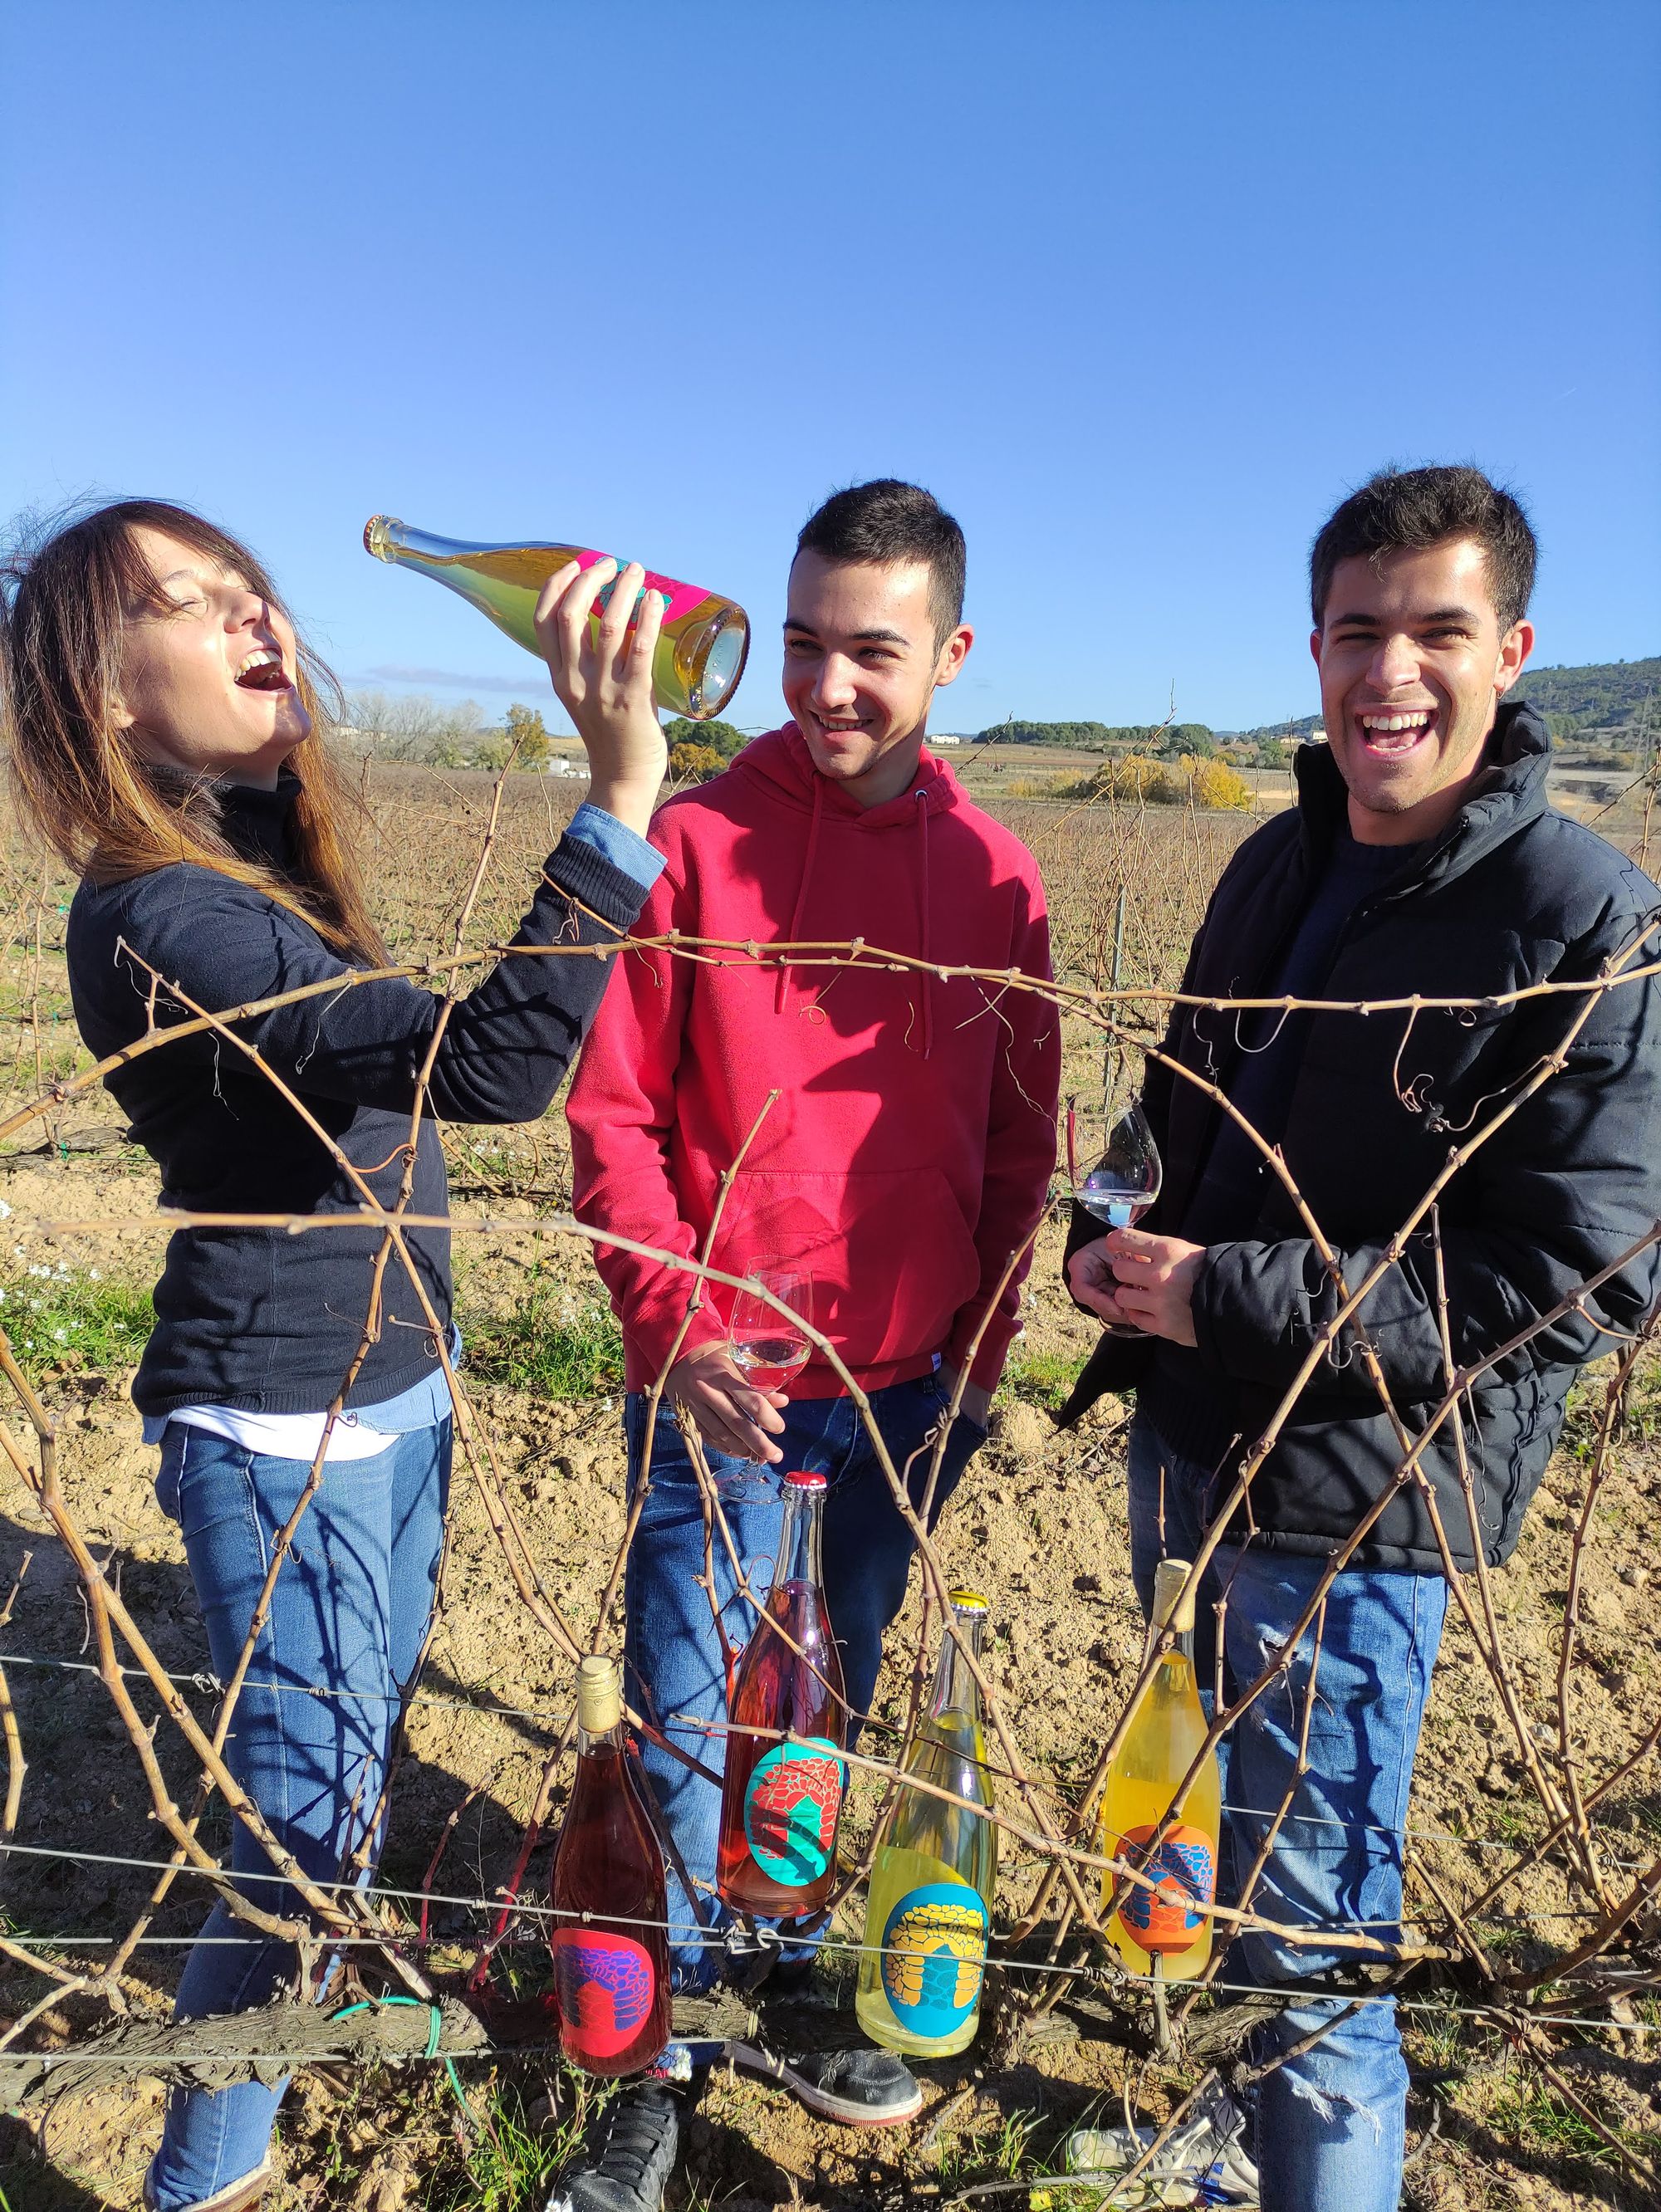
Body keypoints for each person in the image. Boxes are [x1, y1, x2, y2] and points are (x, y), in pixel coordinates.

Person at [1, 498, 671, 2212]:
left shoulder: (260, 864)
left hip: (402, 1390)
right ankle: (200, 2183)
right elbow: (501, 1067)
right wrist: (613, 798)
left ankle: (325, 2030)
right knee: (292, 1860)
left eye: (254, 593)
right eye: (194, 604)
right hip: (278, 1426)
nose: (257, 620)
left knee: (345, 1793)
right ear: (109, 694)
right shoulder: (160, 914)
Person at [1060, 465, 1661, 2212]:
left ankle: (1317, 2162)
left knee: (1315, 1919)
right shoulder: (1273, 856)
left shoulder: (1582, 921)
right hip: (1188, 1436)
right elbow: (1177, 1095)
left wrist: (1223, 1292)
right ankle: (1243, 2138)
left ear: (1515, 651)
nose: (1388, 670)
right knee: (1217, 1841)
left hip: (1360, 1504)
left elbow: (1578, 1275)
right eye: (1356, 630)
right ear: (1312, 647)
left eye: (1435, 631)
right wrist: (1108, 1230)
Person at [563, 482, 1060, 2190]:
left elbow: (1018, 1142)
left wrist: (980, 1360)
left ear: (952, 654)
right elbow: (611, 1117)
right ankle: (663, 2038)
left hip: (905, 1382)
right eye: (800, 645)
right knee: (689, 1707)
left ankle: (766, 1961)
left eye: (872, 653)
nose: (826, 688)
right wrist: (671, 1318)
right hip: (724, 1387)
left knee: (815, 1699)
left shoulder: (996, 877)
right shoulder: (694, 844)